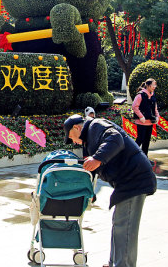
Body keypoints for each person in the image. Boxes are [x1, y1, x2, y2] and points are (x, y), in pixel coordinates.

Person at [63, 114, 156, 267]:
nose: (73, 141)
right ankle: (113, 263)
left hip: (135, 180)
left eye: (71, 137)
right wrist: (89, 192)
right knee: (119, 224)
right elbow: (92, 167)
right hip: (126, 182)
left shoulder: (95, 126)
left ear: (77, 127)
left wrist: (98, 158)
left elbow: (116, 139)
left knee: (125, 228)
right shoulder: (89, 140)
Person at [131, 78, 160, 155]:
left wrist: (157, 117)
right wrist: (141, 116)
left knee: (147, 141)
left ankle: (144, 158)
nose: (155, 86)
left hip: (150, 122)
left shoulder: (153, 95)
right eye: (153, 85)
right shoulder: (140, 95)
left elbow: (155, 108)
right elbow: (134, 106)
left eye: (155, 85)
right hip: (141, 122)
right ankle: (132, 156)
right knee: (140, 139)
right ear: (148, 85)